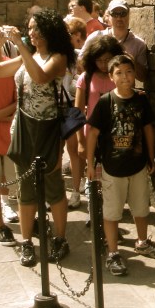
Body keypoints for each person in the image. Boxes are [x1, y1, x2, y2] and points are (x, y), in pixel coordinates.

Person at [0, 8, 76, 267]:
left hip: (48, 129)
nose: (31, 33)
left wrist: (20, 45)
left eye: (35, 29)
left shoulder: (58, 57)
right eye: (29, 29)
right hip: (23, 128)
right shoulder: (29, 56)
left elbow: (39, 77)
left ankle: (60, 239)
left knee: (53, 186)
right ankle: (27, 242)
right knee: (25, 189)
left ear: (49, 30)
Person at [86, 54, 155, 276]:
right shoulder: (105, 102)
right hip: (113, 167)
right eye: (119, 73)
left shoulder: (141, 100)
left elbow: (148, 129)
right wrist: (90, 163)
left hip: (138, 165)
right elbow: (93, 133)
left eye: (129, 71)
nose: (125, 77)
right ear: (111, 77)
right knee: (112, 212)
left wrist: (151, 157)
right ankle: (113, 252)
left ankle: (142, 241)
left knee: (141, 208)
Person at [75, 34, 125, 217]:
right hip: (92, 137)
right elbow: (78, 112)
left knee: (114, 178)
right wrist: (80, 141)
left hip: (116, 136)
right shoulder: (86, 78)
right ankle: (95, 215)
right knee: (93, 177)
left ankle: (112, 215)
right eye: (100, 60)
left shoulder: (120, 76)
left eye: (108, 60)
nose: (104, 64)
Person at [0, 18, 18, 245]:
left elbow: (19, 101)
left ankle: (9, 207)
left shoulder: (11, 65)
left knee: (12, 178)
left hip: (8, 129)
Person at [81, 0, 148, 82]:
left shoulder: (138, 44)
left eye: (123, 13)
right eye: (114, 14)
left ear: (129, 15)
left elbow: (143, 77)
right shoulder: (95, 37)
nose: (119, 18)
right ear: (108, 16)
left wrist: (131, 61)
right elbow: (80, 63)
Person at [63, 16, 87, 208]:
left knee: (73, 150)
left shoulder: (75, 55)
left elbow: (84, 75)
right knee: (55, 152)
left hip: (70, 105)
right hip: (53, 106)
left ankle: (76, 191)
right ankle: (57, 193)